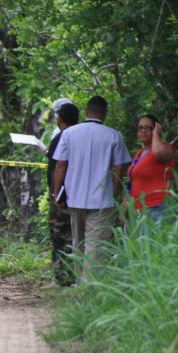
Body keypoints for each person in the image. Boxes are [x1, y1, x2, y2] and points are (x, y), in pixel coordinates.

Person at [52, 96, 131, 282]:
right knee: (94, 247)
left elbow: (60, 165)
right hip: (101, 200)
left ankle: (81, 285)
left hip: (75, 197)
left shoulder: (69, 134)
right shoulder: (113, 135)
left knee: (77, 244)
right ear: (105, 113)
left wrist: (56, 193)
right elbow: (120, 168)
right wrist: (114, 193)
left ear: (86, 111)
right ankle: (89, 289)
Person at [46, 102, 79, 286]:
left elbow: (57, 167)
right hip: (77, 194)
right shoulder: (79, 136)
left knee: (59, 236)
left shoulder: (62, 137)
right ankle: (70, 275)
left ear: (59, 118)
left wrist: (55, 194)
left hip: (61, 197)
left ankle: (62, 276)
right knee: (74, 236)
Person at [120, 115, 175, 223]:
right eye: (140, 128)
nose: (143, 131)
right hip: (138, 210)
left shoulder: (165, 147)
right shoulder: (139, 154)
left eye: (148, 128)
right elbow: (132, 182)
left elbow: (160, 153)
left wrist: (155, 134)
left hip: (157, 207)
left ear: (155, 129)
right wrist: (123, 207)